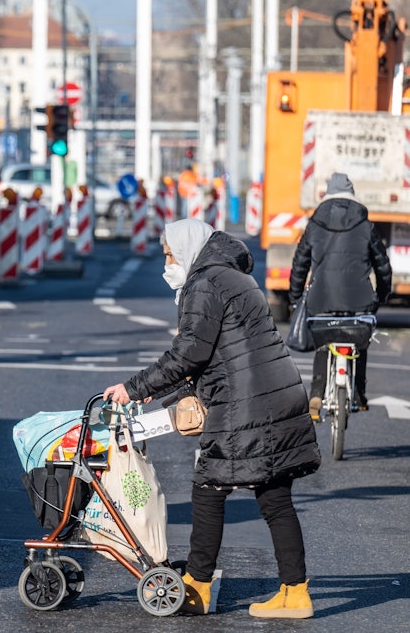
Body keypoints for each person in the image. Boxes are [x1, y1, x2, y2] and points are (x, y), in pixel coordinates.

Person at [104, 218, 320, 619]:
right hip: (272, 395)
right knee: (274, 496)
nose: (167, 264)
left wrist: (133, 388)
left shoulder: (205, 283)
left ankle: (198, 588)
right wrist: (161, 391)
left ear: (186, 249)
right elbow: (215, 353)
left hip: (246, 403)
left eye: (169, 255)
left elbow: (190, 352)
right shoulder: (231, 276)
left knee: (208, 487)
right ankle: (296, 593)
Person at [288, 172, 391, 418]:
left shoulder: (315, 223)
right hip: (359, 300)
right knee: (359, 339)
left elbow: (300, 263)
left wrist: (295, 297)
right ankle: (358, 394)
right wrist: (381, 295)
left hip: (321, 299)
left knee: (324, 341)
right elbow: (382, 265)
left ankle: (315, 394)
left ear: (327, 194)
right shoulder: (365, 224)